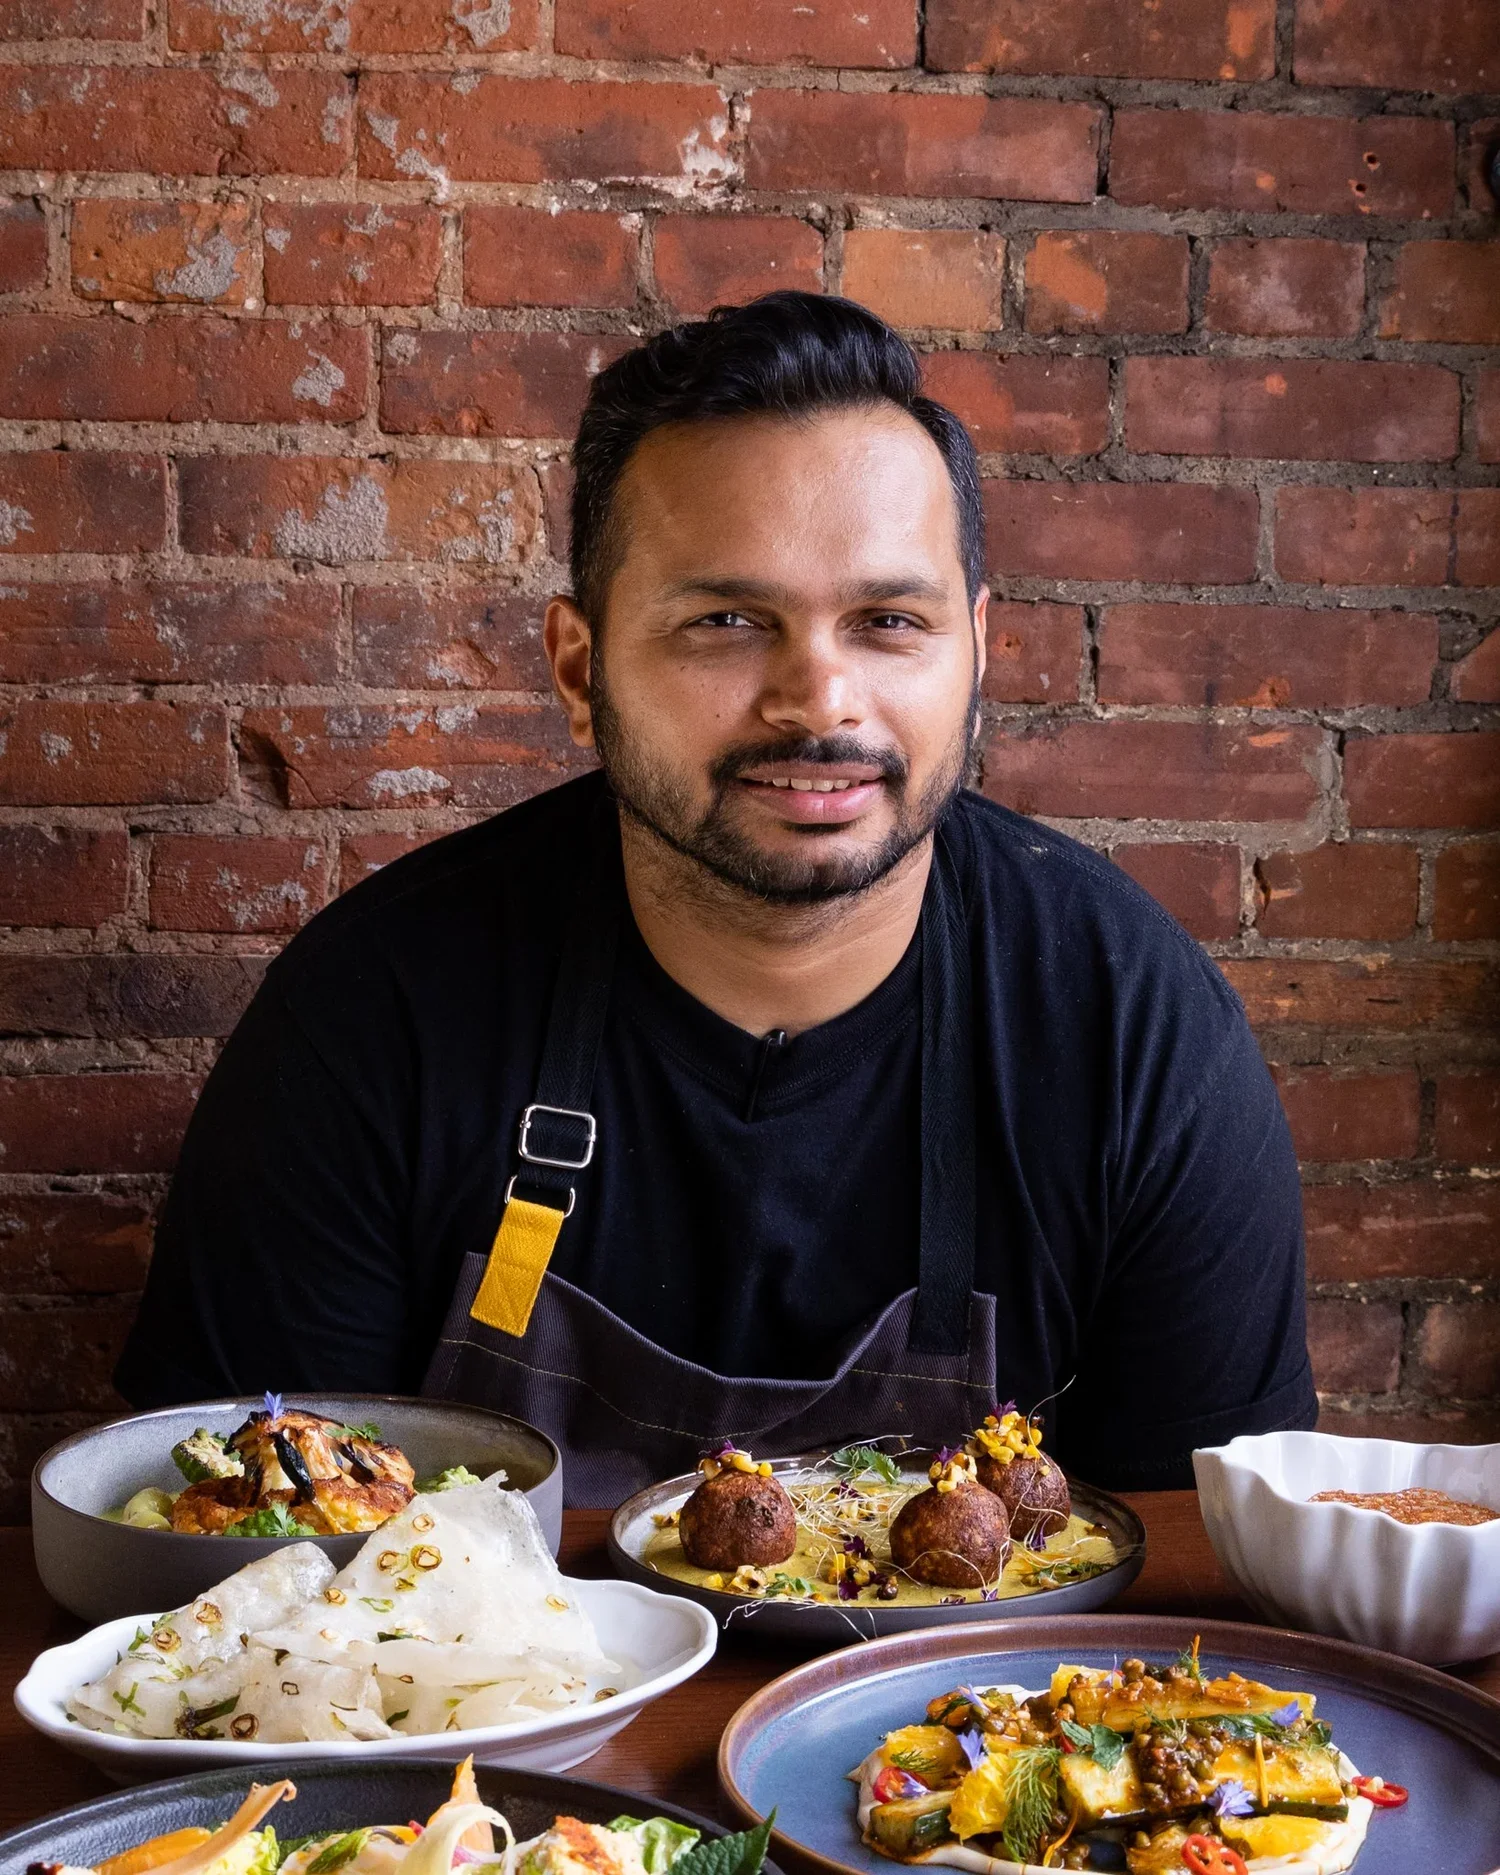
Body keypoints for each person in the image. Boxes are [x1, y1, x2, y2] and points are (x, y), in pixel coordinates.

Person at [116, 293, 1316, 1505]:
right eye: (728, 622)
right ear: (582, 672)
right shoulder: (373, 1019)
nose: (820, 698)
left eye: (890, 622)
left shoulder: (1134, 1033)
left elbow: (1206, 1582)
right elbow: (234, 1570)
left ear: (978, 652)